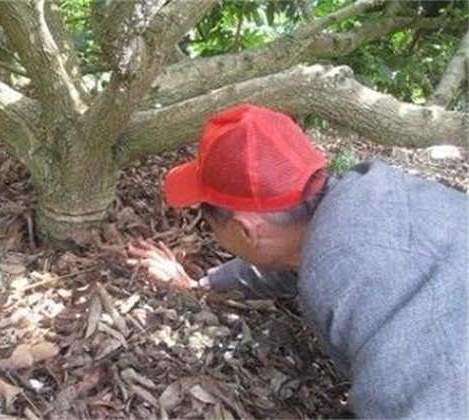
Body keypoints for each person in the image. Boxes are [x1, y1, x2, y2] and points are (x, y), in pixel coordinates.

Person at [127, 104, 467, 418]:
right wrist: (198, 286)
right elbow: (285, 261)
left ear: (246, 230)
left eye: (210, 223)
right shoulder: (370, 192)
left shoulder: (351, 288)